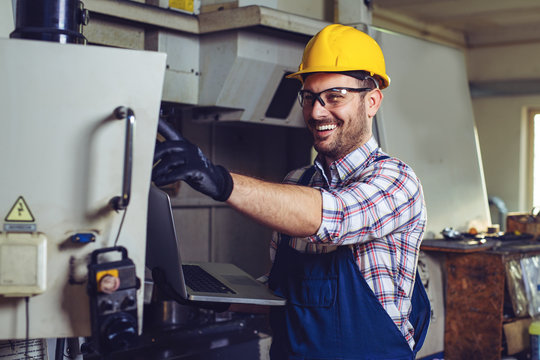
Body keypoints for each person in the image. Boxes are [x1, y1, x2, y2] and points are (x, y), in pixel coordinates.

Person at [152, 23, 430, 360]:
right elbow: (281, 291)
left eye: (334, 97)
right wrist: (209, 297)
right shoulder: (297, 181)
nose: (316, 112)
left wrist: (218, 180)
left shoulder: (396, 179)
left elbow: (334, 217)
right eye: (309, 97)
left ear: (371, 101)